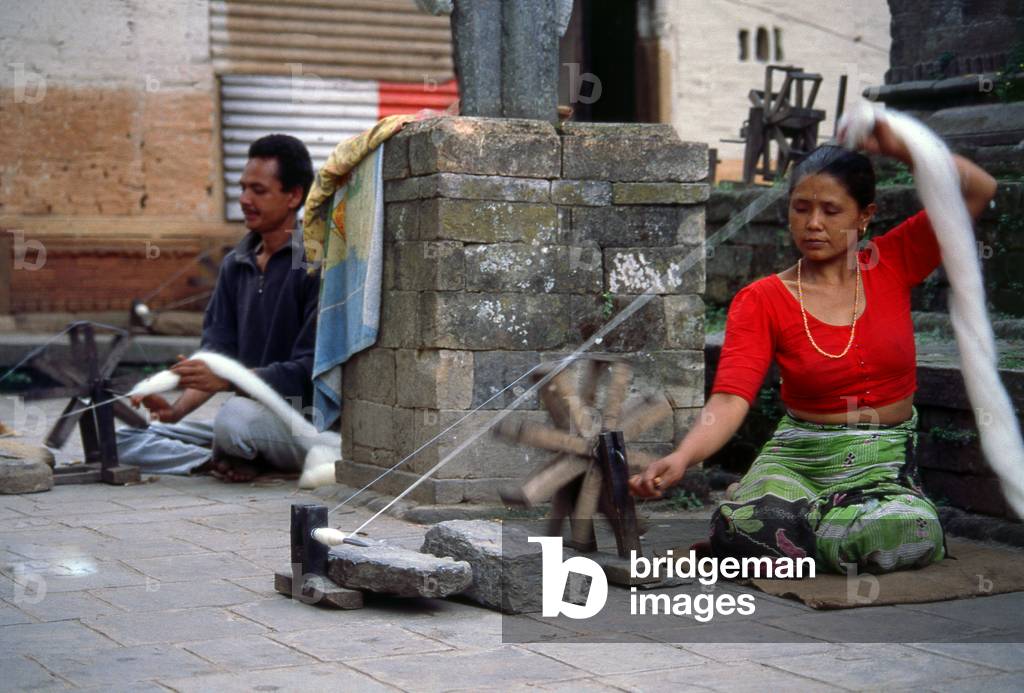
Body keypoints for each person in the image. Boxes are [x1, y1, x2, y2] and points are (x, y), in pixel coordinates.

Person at [630, 118, 997, 573]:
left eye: (831, 210)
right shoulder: (762, 299)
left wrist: (902, 147)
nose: (814, 224)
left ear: (865, 216)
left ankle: (798, 539)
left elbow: (979, 187)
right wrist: (683, 457)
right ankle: (793, 526)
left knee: (905, 530)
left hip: (879, 465)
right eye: (801, 208)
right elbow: (729, 398)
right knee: (750, 523)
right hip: (798, 457)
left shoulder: (894, 261)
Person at [116, 134, 320, 482]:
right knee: (124, 441)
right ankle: (219, 462)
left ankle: (241, 455)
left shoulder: (315, 263)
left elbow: (307, 372)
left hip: (301, 422)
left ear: (294, 196)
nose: (244, 200)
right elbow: (217, 355)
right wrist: (176, 409)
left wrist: (229, 380)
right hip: (248, 421)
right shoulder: (235, 264)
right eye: (243, 188)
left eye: (258, 190)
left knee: (233, 420)